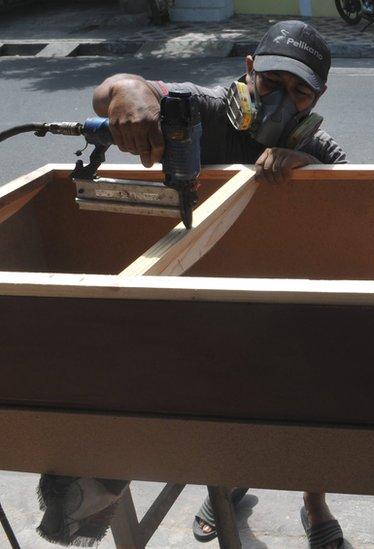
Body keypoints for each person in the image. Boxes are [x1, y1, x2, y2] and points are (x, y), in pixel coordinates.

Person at [87, 20, 346, 549]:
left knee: (309, 399)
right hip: (207, 293)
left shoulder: (318, 146)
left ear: (318, 98)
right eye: (272, 83)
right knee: (223, 403)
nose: (281, 102)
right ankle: (226, 489)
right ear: (248, 70)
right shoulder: (197, 109)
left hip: (283, 295)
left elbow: (362, 196)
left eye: (299, 93)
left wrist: (311, 169)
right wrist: (129, 91)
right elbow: (110, 90)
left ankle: (314, 503)